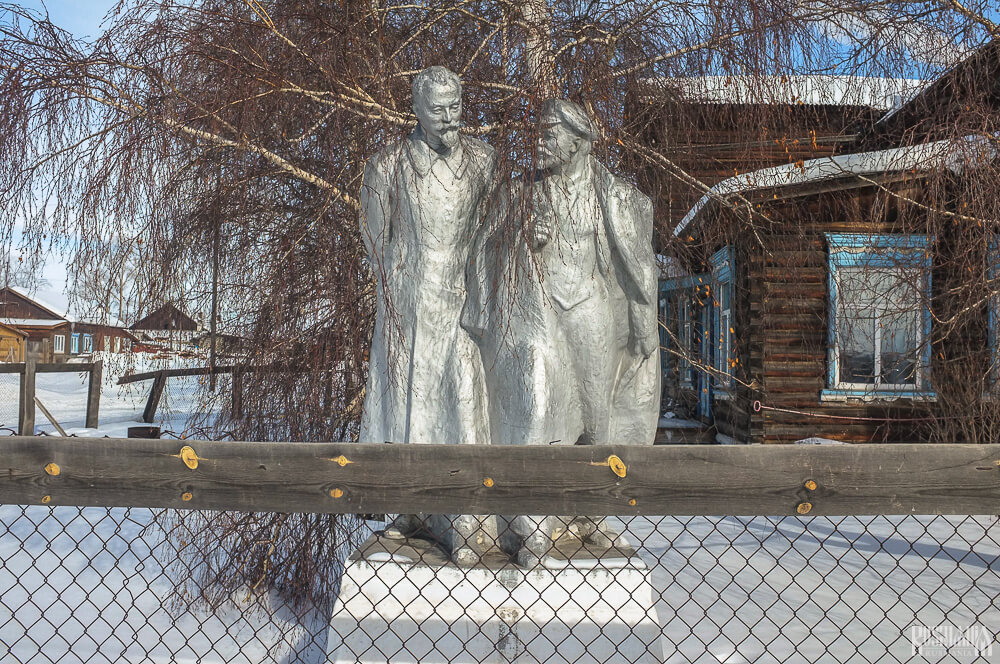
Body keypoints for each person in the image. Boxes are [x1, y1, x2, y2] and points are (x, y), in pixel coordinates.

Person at [464, 98, 660, 566]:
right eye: (539, 131)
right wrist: (519, 238)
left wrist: (641, 318)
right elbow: (481, 248)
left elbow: (638, 263)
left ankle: (589, 512)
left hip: (590, 311)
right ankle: (534, 519)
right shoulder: (519, 193)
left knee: (595, 418)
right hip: (538, 311)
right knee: (539, 411)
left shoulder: (611, 194)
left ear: (578, 142)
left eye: (550, 133)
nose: (540, 141)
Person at [359, 66, 497, 566]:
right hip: (409, 301)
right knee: (409, 399)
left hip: (464, 300)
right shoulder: (388, 163)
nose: (448, 118)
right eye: (436, 109)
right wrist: (398, 286)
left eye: (455, 106)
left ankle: (465, 516)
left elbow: (495, 228)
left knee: (461, 399)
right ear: (415, 110)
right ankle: (409, 508)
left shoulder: (484, 162)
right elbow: (375, 238)